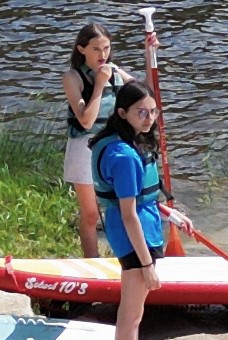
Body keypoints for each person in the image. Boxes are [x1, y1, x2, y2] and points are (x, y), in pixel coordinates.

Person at [90, 80, 187, 340]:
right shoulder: (122, 156)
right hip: (134, 241)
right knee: (129, 320)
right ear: (122, 113)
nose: (148, 118)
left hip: (139, 232)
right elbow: (128, 213)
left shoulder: (125, 144)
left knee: (134, 317)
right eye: (140, 112)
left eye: (152, 111)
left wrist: (168, 211)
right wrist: (146, 264)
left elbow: (140, 198)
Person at [60, 22, 132, 258]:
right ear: (82, 49)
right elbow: (86, 121)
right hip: (85, 148)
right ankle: (92, 262)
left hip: (112, 146)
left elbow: (145, 94)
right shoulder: (72, 77)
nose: (103, 55)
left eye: (106, 48)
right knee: (91, 214)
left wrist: (149, 50)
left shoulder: (115, 71)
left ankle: (127, 255)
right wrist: (100, 85)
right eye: (96, 49)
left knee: (123, 207)